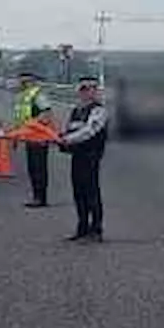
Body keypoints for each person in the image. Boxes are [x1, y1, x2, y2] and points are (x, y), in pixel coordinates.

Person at [57, 76, 109, 242]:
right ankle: (82, 227)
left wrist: (67, 140)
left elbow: (89, 131)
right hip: (77, 155)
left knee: (91, 192)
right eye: (85, 88)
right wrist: (61, 138)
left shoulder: (99, 110)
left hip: (91, 155)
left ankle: (96, 230)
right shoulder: (76, 110)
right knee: (78, 192)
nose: (89, 92)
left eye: (93, 88)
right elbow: (70, 130)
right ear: (80, 92)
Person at [12, 71, 52, 207]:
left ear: (31, 82)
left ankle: (41, 198)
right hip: (30, 138)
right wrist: (16, 136)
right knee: (32, 169)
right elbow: (20, 119)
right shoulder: (23, 97)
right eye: (21, 81)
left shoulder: (38, 95)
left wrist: (33, 124)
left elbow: (46, 114)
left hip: (39, 138)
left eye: (25, 82)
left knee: (39, 168)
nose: (21, 84)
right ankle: (37, 196)